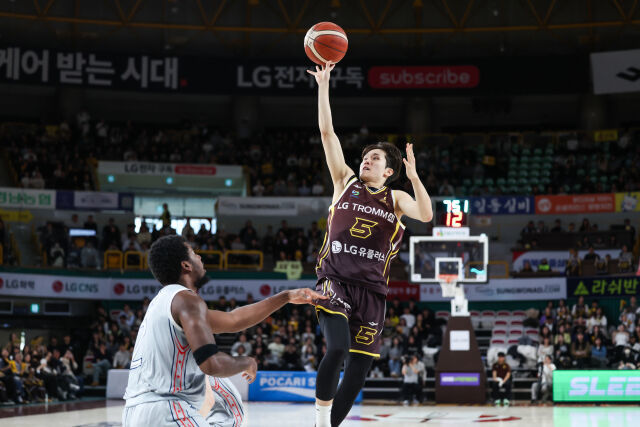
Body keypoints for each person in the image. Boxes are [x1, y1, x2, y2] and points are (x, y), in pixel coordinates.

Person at [307, 62, 433, 427]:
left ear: (388, 171)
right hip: (335, 281)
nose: (366, 160)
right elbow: (327, 133)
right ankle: (320, 421)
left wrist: (415, 178)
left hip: (372, 292)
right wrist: (324, 85)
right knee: (336, 349)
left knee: (359, 370)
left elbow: (426, 214)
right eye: (365, 157)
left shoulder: (396, 198)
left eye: (374, 158)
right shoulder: (345, 181)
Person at [122, 235, 325, 426]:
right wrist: (247, 362)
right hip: (165, 411)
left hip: (136, 412)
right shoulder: (186, 300)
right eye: (194, 253)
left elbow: (235, 319)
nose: (199, 257)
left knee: (230, 408)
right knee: (217, 385)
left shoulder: (165, 302)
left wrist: (286, 296)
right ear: (186, 265)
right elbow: (211, 363)